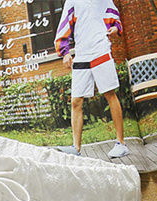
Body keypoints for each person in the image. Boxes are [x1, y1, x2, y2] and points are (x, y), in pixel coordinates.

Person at [53, 0, 129, 158]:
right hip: (82, 53)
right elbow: (65, 24)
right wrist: (65, 52)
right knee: (76, 101)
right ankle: (76, 148)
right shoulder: (72, 1)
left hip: (100, 49)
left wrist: (116, 28)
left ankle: (121, 143)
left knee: (110, 94)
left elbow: (114, 16)